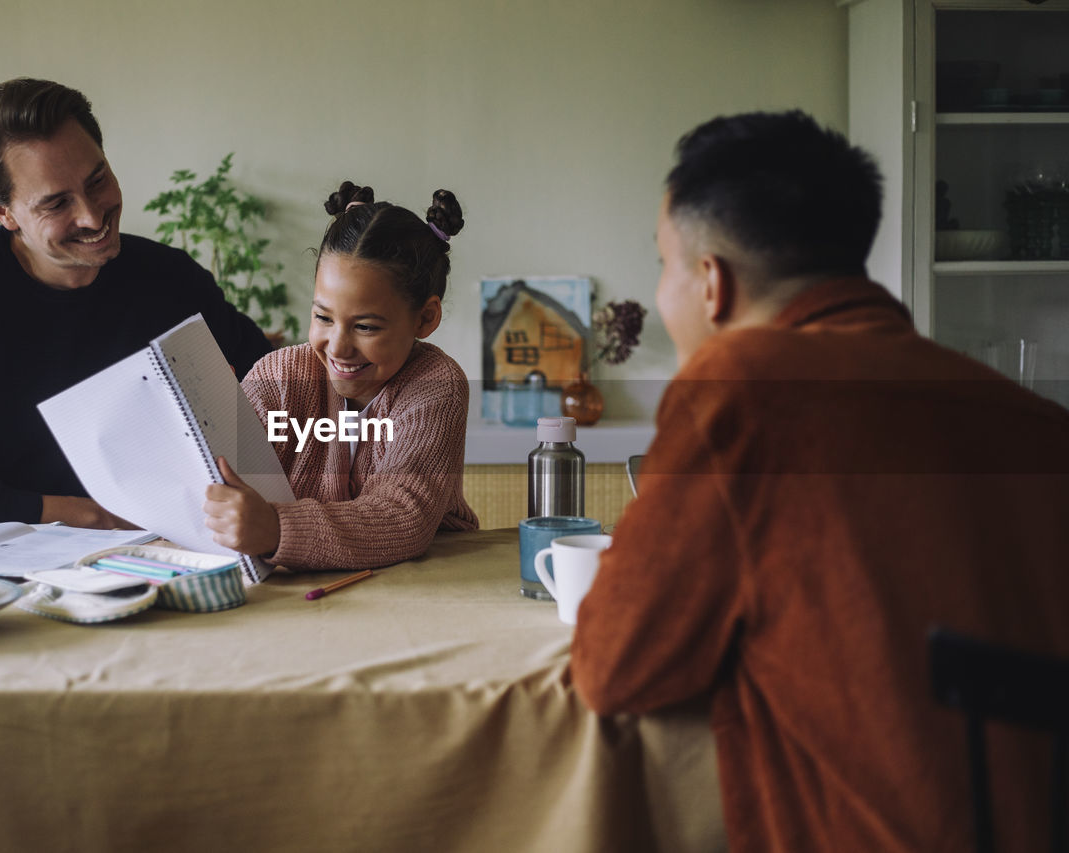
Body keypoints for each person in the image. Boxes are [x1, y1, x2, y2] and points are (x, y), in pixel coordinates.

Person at [570, 110, 1069, 852]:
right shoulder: (1037, 420)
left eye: (663, 264)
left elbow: (616, 665)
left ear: (711, 283)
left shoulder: (743, 386)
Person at [0, 78, 271, 533]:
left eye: (97, 180)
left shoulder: (172, 280)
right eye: (57, 203)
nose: (93, 216)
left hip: (148, 554)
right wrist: (90, 514)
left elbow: (274, 403)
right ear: (4, 212)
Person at [201, 181, 478, 570]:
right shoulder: (278, 376)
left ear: (425, 318)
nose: (338, 347)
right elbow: (221, 481)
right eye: (322, 318)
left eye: (365, 327)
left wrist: (278, 530)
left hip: (423, 584)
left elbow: (401, 516)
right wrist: (209, 423)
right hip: (302, 590)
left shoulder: (436, 387)